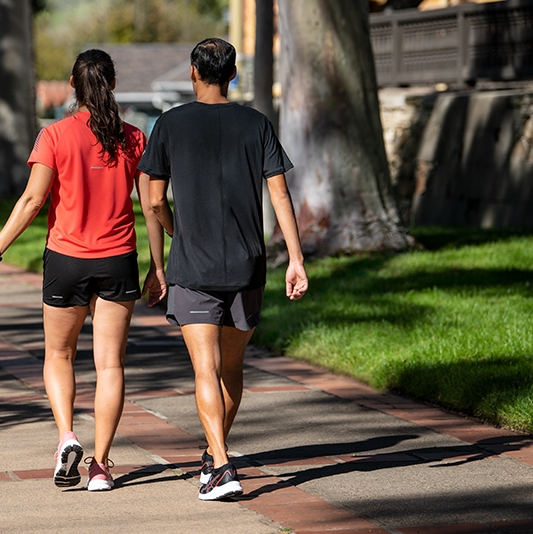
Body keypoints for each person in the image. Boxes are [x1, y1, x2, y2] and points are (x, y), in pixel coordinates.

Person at [0, 49, 165, 492]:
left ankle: (67, 438)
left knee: (59, 355)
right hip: (118, 260)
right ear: (111, 82)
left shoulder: (54, 135)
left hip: (66, 261)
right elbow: (152, 206)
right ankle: (102, 467)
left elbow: (33, 202)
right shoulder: (134, 139)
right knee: (110, 364)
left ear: (73, 85)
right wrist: (158, 268)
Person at [138, 37, 309, 501]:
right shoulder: (256, 124)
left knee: (204, 370)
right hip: (247, 263)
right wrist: (295, 258)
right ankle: (215, 456)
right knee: (231, 368)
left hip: (193, 266)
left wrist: (174, 230)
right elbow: (279, 195)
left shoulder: (169, 124)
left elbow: (152, 199)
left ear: (193, 72)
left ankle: (221, 465)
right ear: (232, 74)